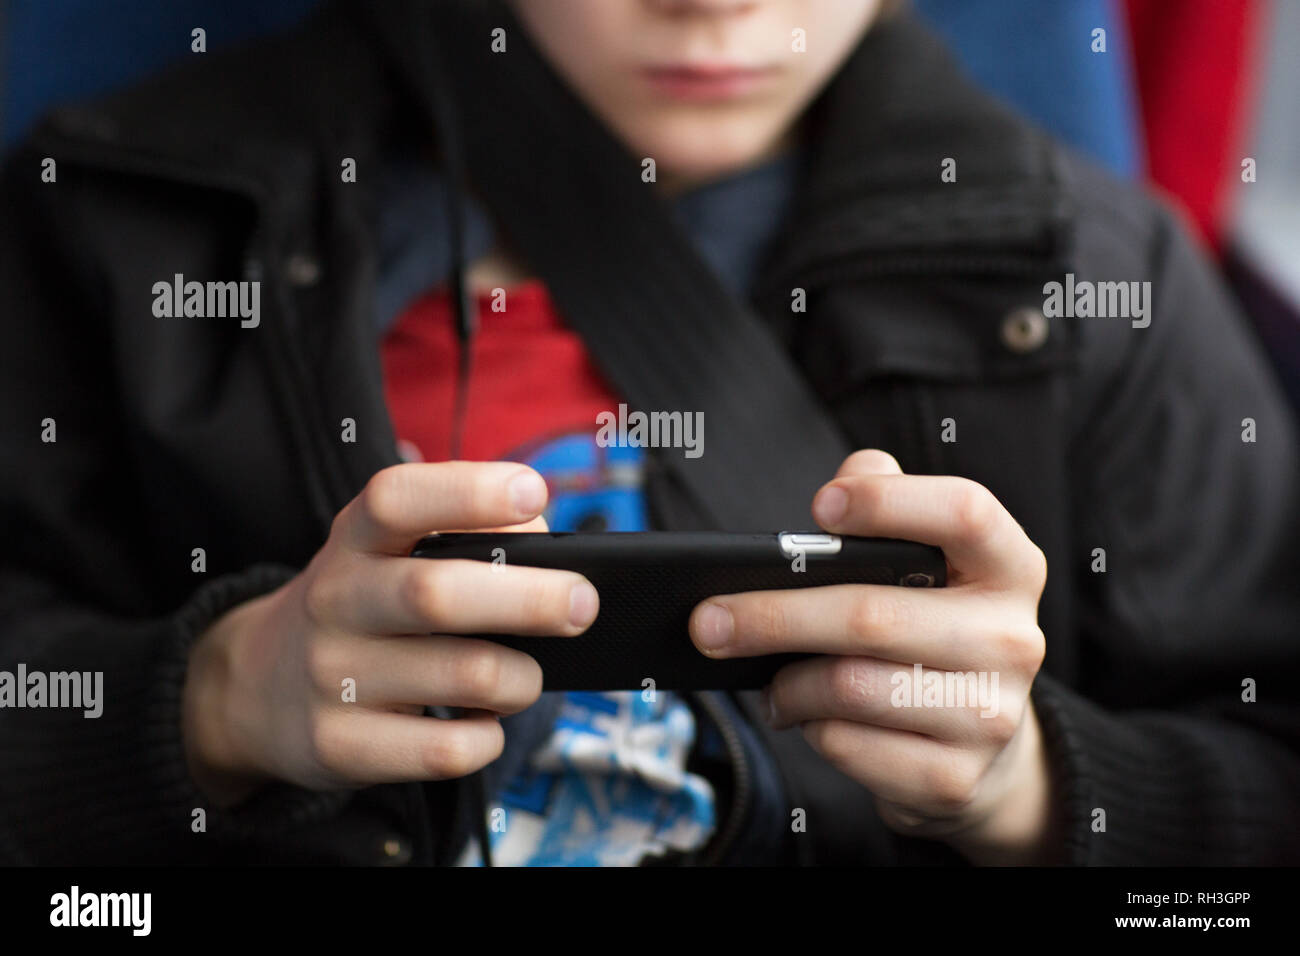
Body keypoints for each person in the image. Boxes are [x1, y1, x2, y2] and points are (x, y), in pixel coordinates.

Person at [1, 0, 1297, 866]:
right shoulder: (128, 223)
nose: (718, 3)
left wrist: (1033, 788)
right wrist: (215, 701)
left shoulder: (1095, 276)